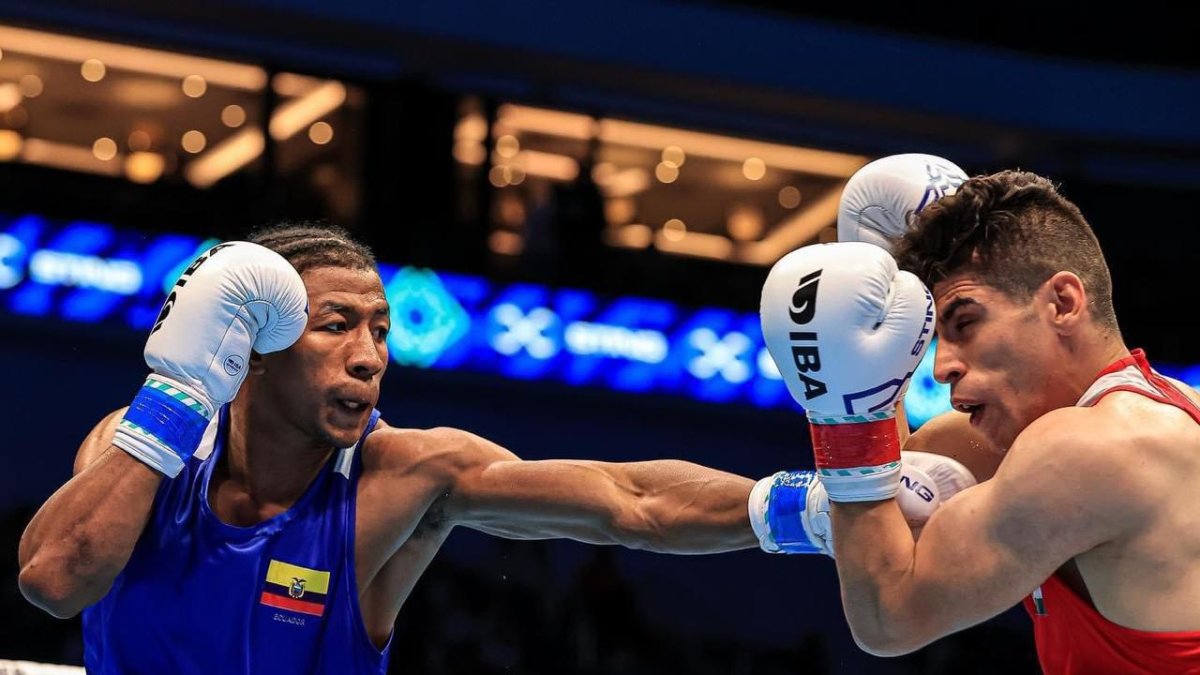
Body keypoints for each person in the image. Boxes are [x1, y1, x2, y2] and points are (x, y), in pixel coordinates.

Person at [16, 224, 768, 674]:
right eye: (337, 323)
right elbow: (53, 580)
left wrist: (812, 504)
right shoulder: (140, 444)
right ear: (255, 345)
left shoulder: (406, 473)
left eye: (380, 328)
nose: (370, 355)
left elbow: (629, 501)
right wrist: (176, 395)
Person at [760, 168, 1200, 673]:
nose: (942, 365)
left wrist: (842, 415)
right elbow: (891, 514)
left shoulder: (1095, 447)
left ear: (1063, 303)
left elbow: (889, 616)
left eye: (965, 322)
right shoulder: (1157, 412)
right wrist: (871, 377)